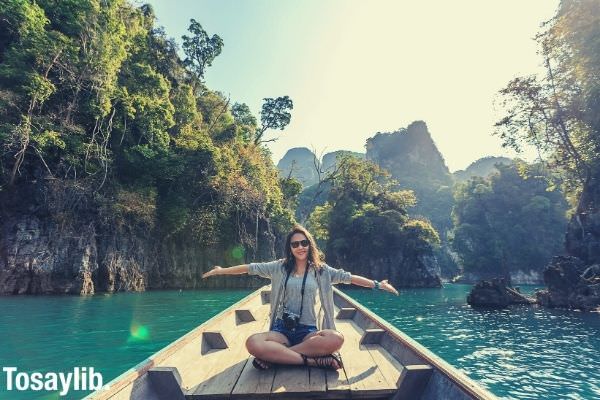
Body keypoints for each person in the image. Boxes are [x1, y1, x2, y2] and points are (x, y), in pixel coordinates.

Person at [202, 225, 399, 371]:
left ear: (309, 245)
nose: (300, 247)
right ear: (290, 247)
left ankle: (276, 357)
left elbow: (350, 278)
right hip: (282, 330)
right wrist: (221, 271)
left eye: (304, 243)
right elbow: (250, 268)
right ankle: (310, 361)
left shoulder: (322, 271)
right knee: (253, 342)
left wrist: (378, 285)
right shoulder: (279, 267)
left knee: (335, 338)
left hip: (308, 332)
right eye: (295, 244)